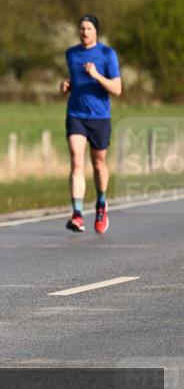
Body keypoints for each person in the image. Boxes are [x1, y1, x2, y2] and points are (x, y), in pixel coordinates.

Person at [60, 14, 122, 234]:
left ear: (96, 31)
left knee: (98, 165)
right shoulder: (72, 54)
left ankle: (101, 204)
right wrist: (67, 86)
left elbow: (117, 89)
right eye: (82, 28)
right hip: (76, 114)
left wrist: (96, 75)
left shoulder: (107, 54)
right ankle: (77, 214)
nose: (84, 32)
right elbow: (75, 80)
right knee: (76, 161)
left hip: (100, 117)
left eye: (88, 28)